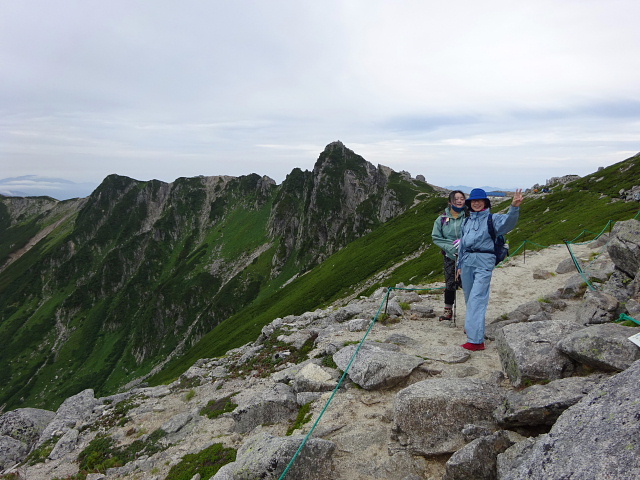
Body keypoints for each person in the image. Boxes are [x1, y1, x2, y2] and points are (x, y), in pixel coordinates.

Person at [456, 188, 524, 351]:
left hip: (484, 263)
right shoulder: (466, 221)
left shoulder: (493, 219)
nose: (477, 203)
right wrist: (459, 266)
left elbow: (509, 223)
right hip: (466, 263)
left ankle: (476, 341)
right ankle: (472, 326)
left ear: (485, 203)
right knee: (469, 296)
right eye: (473, 201)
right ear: (470, 204)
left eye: (480, 201)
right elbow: (462, 245)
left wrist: (514, 207)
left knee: (477, 298)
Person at [431, 190, 468, 322]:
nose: (459, 201)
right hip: (449, 255)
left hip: (467, 255)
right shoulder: (441, 219)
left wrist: (464, 243)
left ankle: (471, 312)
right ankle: (448, 311)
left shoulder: (469, 216)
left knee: (468, 283)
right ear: (450, 202)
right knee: (450, 283)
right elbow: (436, 237)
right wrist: (450, 248)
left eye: (462, 198)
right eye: (456, 199)